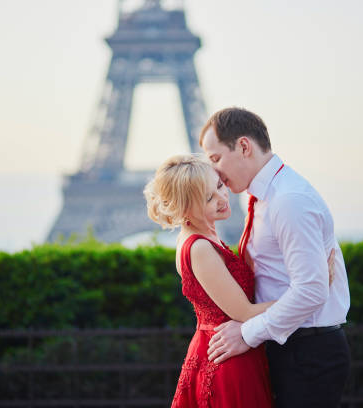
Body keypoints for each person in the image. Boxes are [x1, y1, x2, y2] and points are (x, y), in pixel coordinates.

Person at [199, 107, 351, 408]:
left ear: (244, 146)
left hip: (307, 352)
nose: (213, 172)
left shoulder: (288, 201)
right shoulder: (266, 198)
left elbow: (311, 291)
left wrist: (247, 333)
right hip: (288, 347)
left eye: (215, 158)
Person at [143, 154, 274, 407]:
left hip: (228, 350)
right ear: (184, 208)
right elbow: (245, 312)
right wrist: (303, 294)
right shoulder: (199, 247)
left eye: (219, 186)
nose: (223, 199)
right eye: (208, 199)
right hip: (229, 360)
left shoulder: (204, 237)